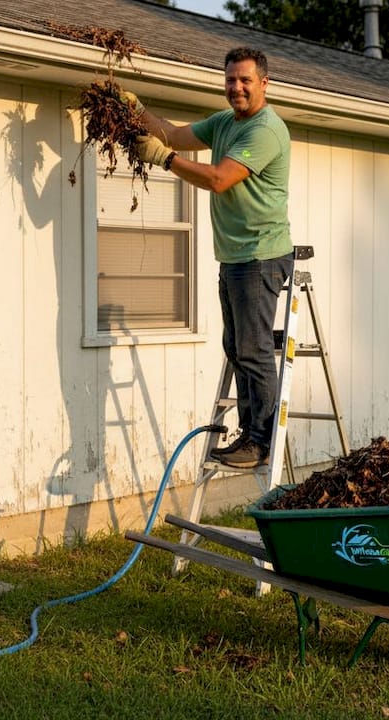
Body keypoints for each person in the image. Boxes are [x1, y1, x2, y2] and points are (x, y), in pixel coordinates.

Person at [123, 47, 294, 469]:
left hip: (260, 255)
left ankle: (260, 442)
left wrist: (164, 160)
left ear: (264, 83)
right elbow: (171, 133)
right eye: (231, 80)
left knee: (254, 351)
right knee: (236, 348)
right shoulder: (223, 123)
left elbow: (219, 179)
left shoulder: (266, 129)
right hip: (234, 257)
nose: (236, 87)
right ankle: (249, 434)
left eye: (245, 80)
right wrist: (135, 109)